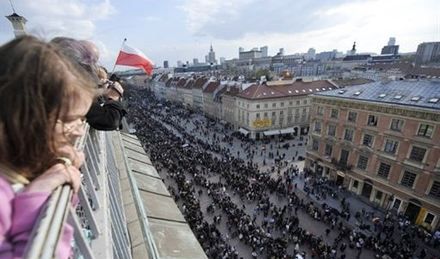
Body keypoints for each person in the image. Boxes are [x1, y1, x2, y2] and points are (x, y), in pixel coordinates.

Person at [0, 36, 96, 258]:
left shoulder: (18, 164)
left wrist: (52, 166)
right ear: (27, 121)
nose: (81, 131)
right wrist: (38, 199)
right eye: (72, 119)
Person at [50, 37, 126, 131]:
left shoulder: (51, 76)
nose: (92, 67)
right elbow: (109, 121)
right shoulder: (69, 88)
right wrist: (113, 97)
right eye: (89, 61)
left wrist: (97, 91)